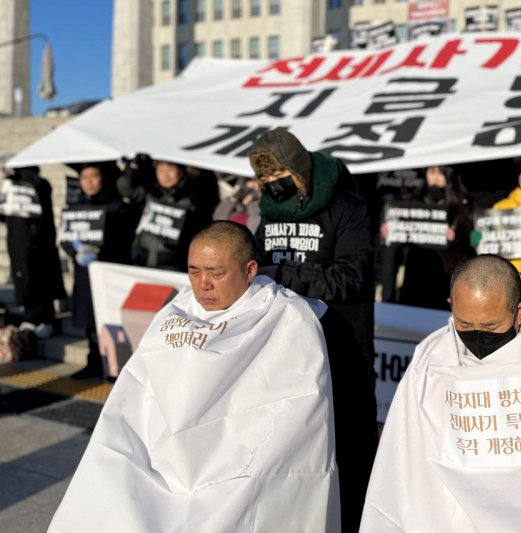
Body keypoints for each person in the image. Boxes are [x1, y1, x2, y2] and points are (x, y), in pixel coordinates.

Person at [49, 220, 340, 532]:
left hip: (241, 459)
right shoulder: (177, 310)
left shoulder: (289, 317)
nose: (203, 284)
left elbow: (294, 409)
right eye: (194, 271)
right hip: (161, 451)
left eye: (216, 272)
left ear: (250, 270)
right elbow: (138, 387)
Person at [361, 255, 521, 532]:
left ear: (520, 311)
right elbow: (404, 456)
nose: (477, 335)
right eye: (464, 324)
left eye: (491, 327)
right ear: (451, 306)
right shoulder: (430, 359)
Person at [249, 128, 377, 532]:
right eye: (267, 183)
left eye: (281, 177)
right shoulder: (270, 211)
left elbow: (352, 278)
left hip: (341, 348)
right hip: (287, 350)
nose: (275, 188)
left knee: (350, 451)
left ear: (299, 169)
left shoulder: (347, 207)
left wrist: (285, 274)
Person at [64, 162, 137, 379]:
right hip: (83, 273)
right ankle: (93, 362)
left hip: (108, 271)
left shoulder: (119, 207)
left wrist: (100, 249)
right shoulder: (74, 207)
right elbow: (66, 238)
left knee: (110, 318)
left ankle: (116, 365)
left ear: (103, 180)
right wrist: (74, 250)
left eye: (94, 177)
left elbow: (126, 238)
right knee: (89, 320)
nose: (89, 182)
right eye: (84, 178)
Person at [396, 165, 476, 309]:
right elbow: (401, 227)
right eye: (431, 172)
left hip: (450, 271)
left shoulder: (462, 202)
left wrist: (457, 236)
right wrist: (392, 228)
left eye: (440, 174)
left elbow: (475, 236)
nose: (435, 178)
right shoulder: (415, 200)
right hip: (418, 269)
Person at [0, 165, 66, 337]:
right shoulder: (11, 187)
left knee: (42, 280)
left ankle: (46, 319)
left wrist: (19, 176)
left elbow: (40, 196)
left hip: (39, 243)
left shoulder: (39, 184)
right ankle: (30, 316)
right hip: (17, 243)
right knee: (24, 280)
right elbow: (6, 213)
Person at [120, 158, 217, 271]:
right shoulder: (149, 193)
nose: (166, 176)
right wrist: (134, 167)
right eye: (161, 171)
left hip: (174, 266)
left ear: (181, 170)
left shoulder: (195, 198)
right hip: (141, 261)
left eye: (170, 170)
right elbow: (125, 188)